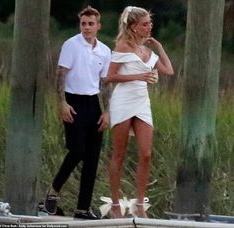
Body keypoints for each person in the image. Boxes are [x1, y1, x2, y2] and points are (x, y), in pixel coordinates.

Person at [44, 6, 111, 220]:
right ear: (80, 24)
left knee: (92, 158)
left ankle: (83, 208)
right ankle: (54, 190)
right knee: (77, 151)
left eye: (91, 24)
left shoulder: (104, 50)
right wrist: (62, 103)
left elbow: (106, 83)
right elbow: (60, 74)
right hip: (73, 101)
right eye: (84, 23)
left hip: (93, 103)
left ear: (98, 26)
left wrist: (108, 112)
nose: (87, 27)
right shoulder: (71, 45)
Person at [107, 6, 174, 218]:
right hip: (123, 101)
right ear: (133, 27)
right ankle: (116, 204)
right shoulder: (123, 46)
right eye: (145, 23)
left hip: (141, 102)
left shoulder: (147, 51)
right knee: (119, 154)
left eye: (150, 23)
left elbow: (168, 71)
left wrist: (160, 47)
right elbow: (110, 77)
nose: (149, 26)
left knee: (146, 154)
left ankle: (139, 204)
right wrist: (138, 77)